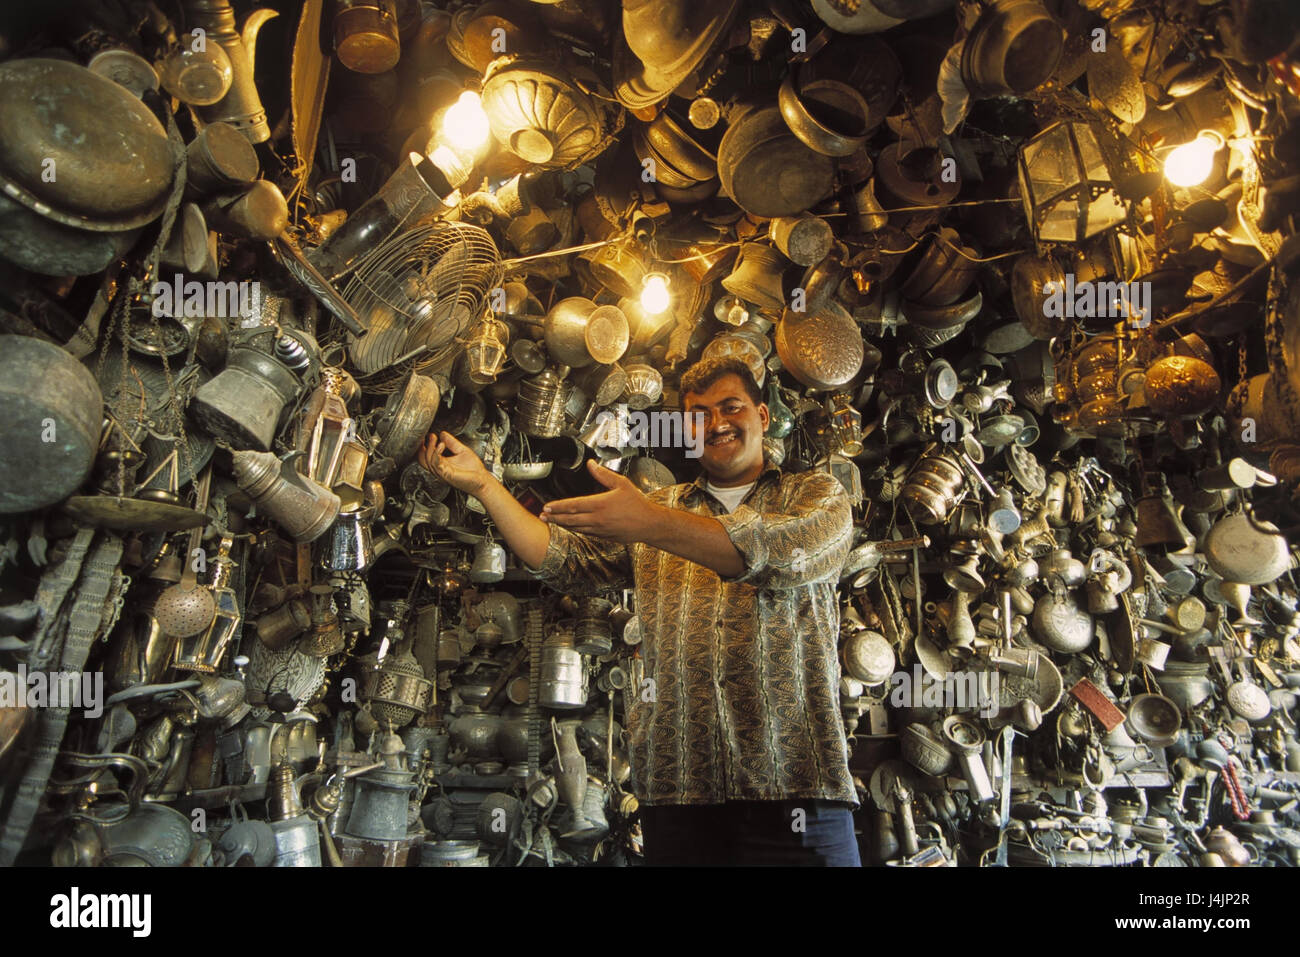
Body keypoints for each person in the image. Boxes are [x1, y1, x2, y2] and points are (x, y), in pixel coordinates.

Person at [418, 356, 859, 865]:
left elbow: (771, 555)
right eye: (699, 415)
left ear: (762, 416)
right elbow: (564, 560)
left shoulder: (815, 495)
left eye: (730, 407)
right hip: (679, 795)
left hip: (795, 788)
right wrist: (486, 487)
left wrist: (648, 520)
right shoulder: (659, 509)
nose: (715, 423)